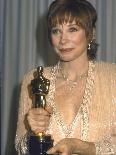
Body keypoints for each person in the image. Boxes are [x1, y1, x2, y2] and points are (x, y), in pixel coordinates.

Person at [15, 0, 116, 154]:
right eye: (56, 31)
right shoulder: (34, 79)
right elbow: (21, 148)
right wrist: (33, 133)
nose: (63, 40)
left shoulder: (112, 77)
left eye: (73, 29)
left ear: (91, 33)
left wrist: (83, 147)